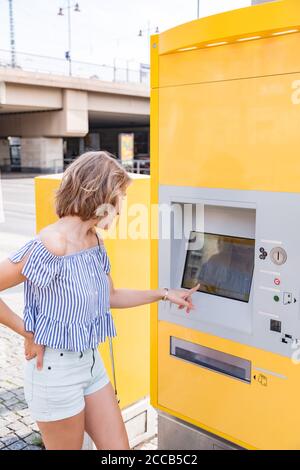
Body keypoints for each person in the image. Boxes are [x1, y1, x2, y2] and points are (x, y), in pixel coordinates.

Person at [0, 151, 198, 450]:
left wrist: (164, 293)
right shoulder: (52, 244)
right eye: (121, 196)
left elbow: (111, 297)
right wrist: (27, 331)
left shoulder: (93, 241)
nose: (122, 208)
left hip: (91, 364)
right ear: (101, 194)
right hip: (55, 371)